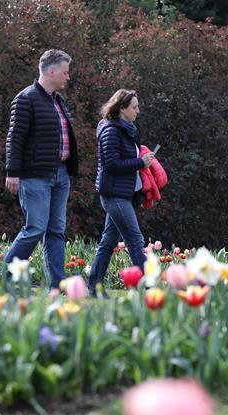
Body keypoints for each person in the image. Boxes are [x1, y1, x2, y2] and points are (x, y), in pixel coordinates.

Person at [3, 49, 79, 290]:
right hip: (34, 176)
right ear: (52, 71)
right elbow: (15, 138)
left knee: (56, 231)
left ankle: (57, 285)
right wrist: (12, 172)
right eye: (65, 72)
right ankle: (6, 280)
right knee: (35, 228)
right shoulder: (26, 98)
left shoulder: (58, 100)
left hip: (61, 175)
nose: (68, 77)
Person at [87, 89, 155, 295]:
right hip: (114, 195)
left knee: (108, 242)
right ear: (122, 108)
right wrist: (140, 162)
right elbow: (111, 164)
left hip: (124, 194)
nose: (138, 111)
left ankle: (94, 288)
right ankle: (150, 290)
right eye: (134, 107)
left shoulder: (127, 130)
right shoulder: (111, 130)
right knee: (135, 240)